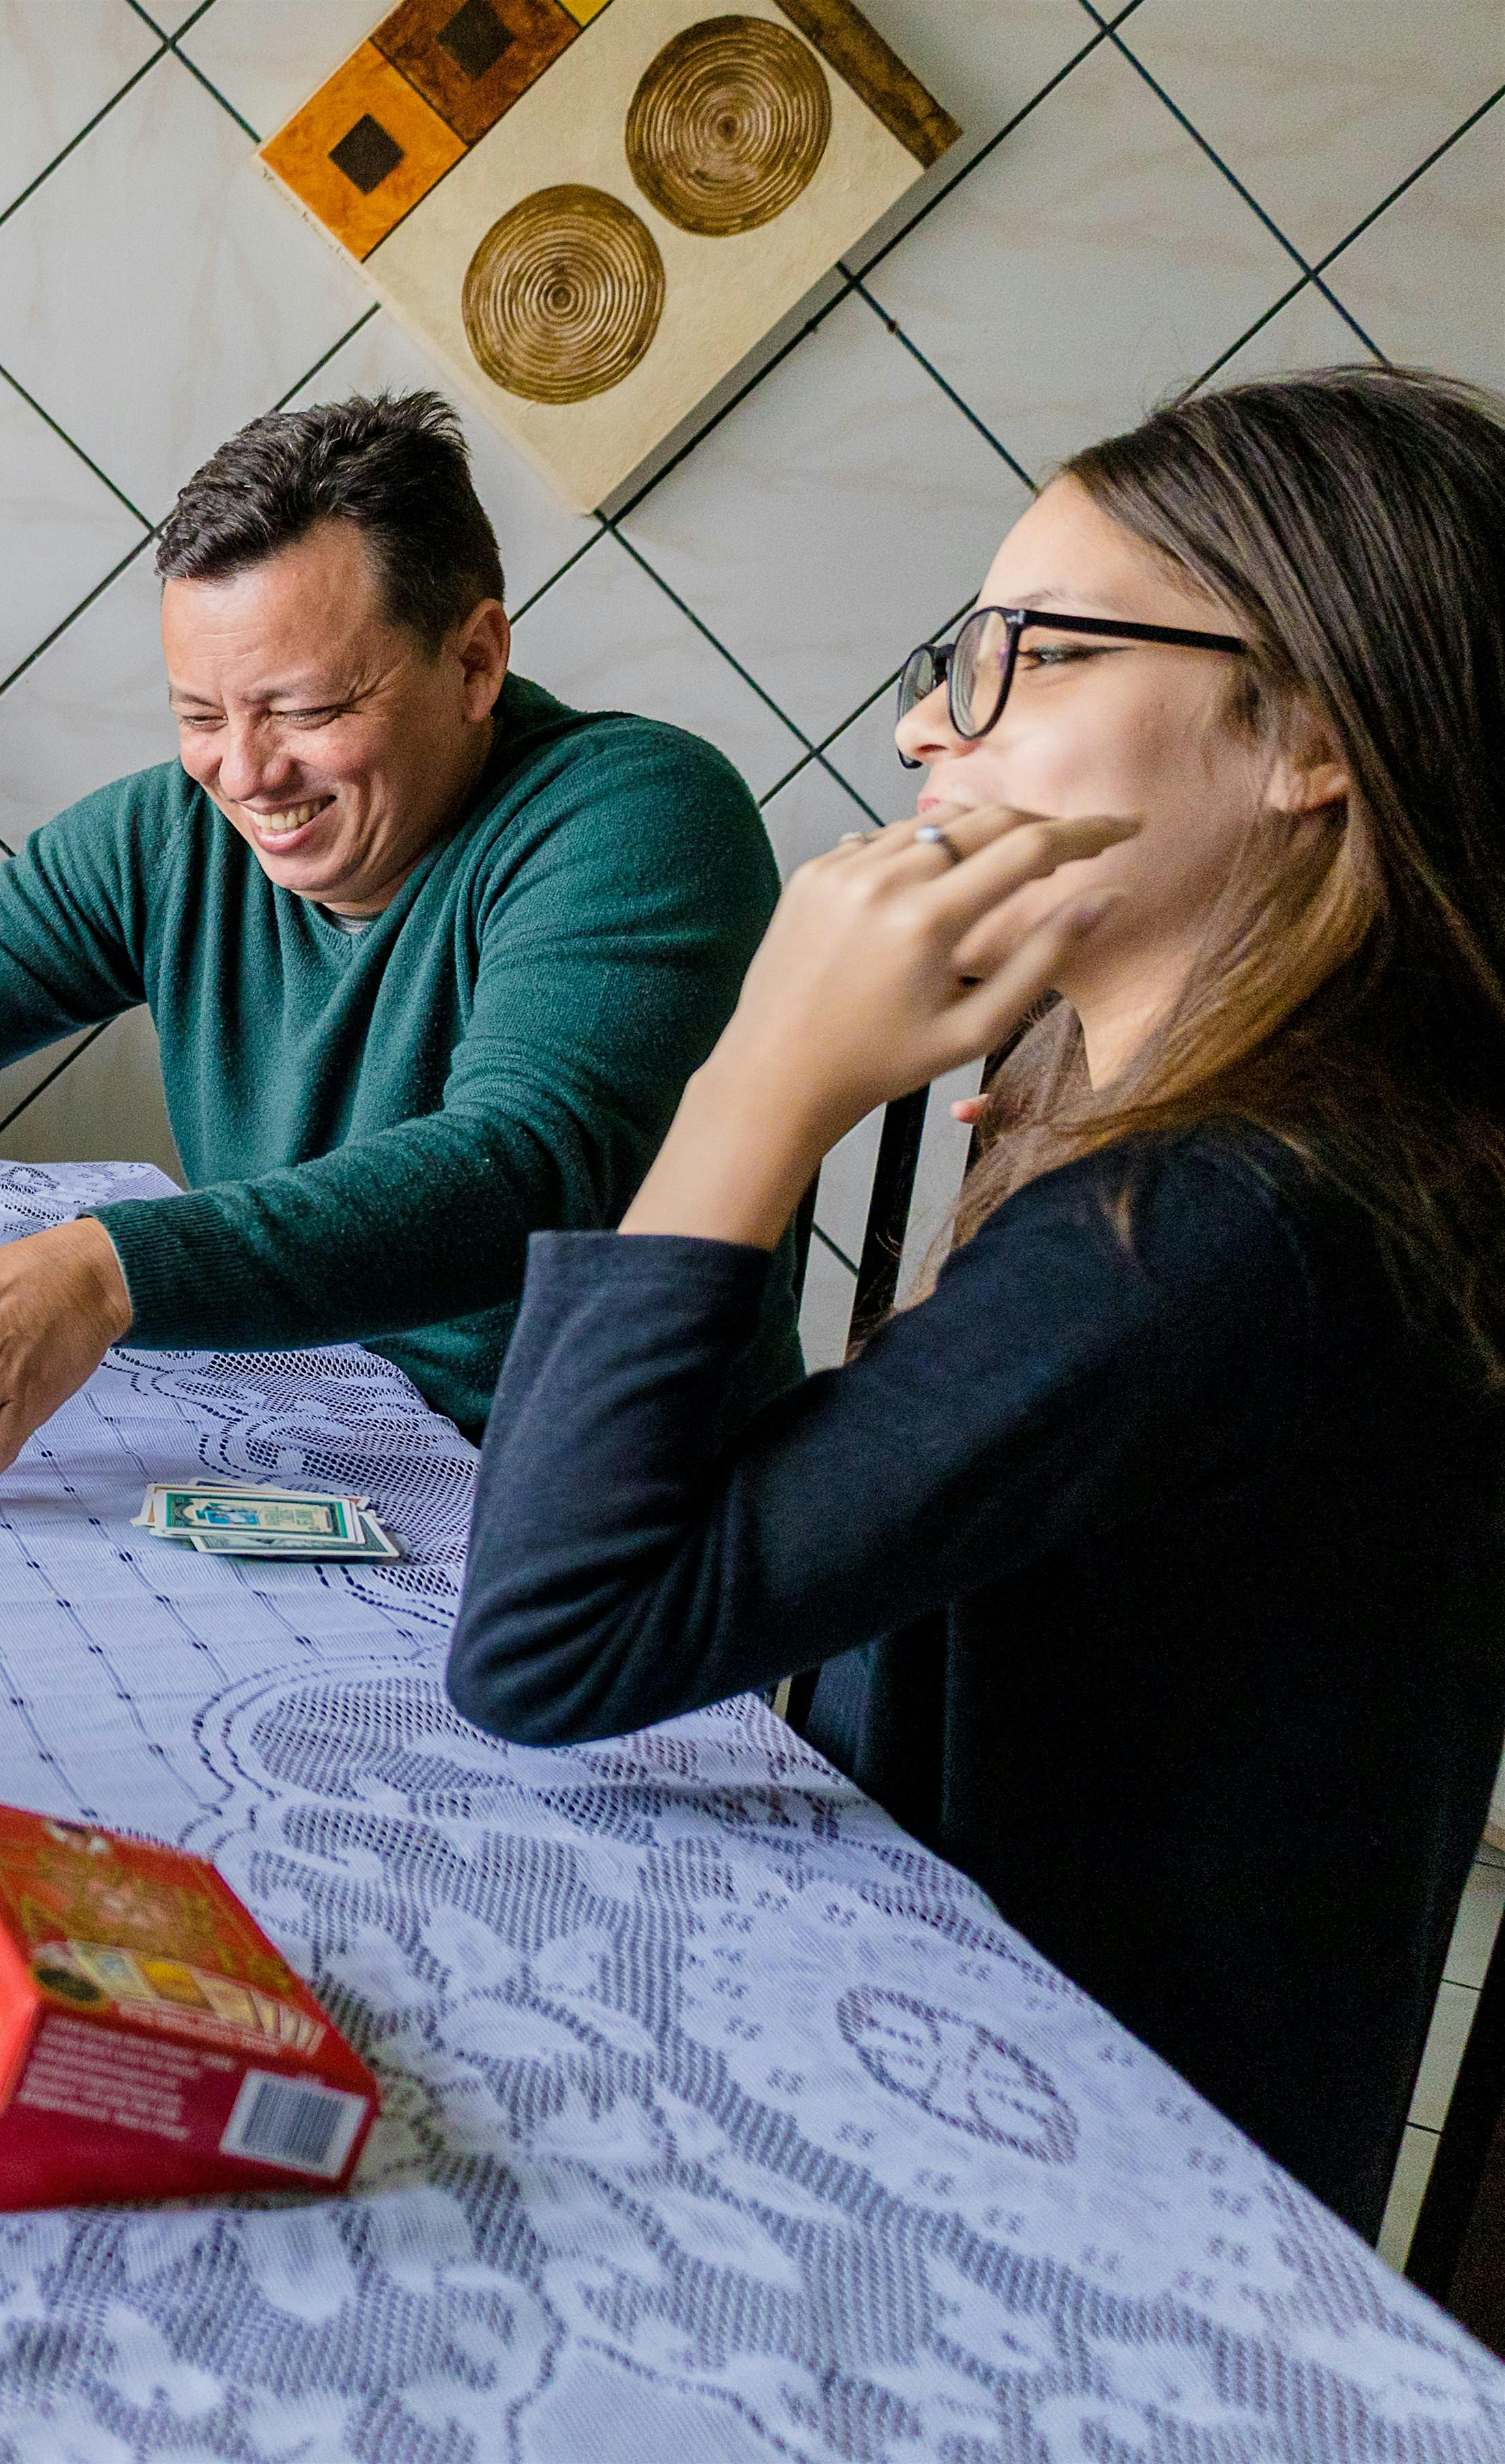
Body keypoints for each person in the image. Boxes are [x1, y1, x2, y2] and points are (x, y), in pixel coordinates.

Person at [446, 367, 1505, 2228]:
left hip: (1073, 2188)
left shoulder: (1215, 1225)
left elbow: (550, 1643)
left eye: (1030, 655)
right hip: (1069, 2093)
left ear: (1304, 734)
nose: (932, 730)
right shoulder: (1242, 1136)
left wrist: (755, 1079)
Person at [0, 393, 786, 1482]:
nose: (247, 772)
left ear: (472, 660)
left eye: (307, 709)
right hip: (322, 1433)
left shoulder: (638, 811)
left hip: (599, 1499)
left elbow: (520, 1164)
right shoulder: (169, 834)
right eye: (200, 715)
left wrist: (105, 1270)